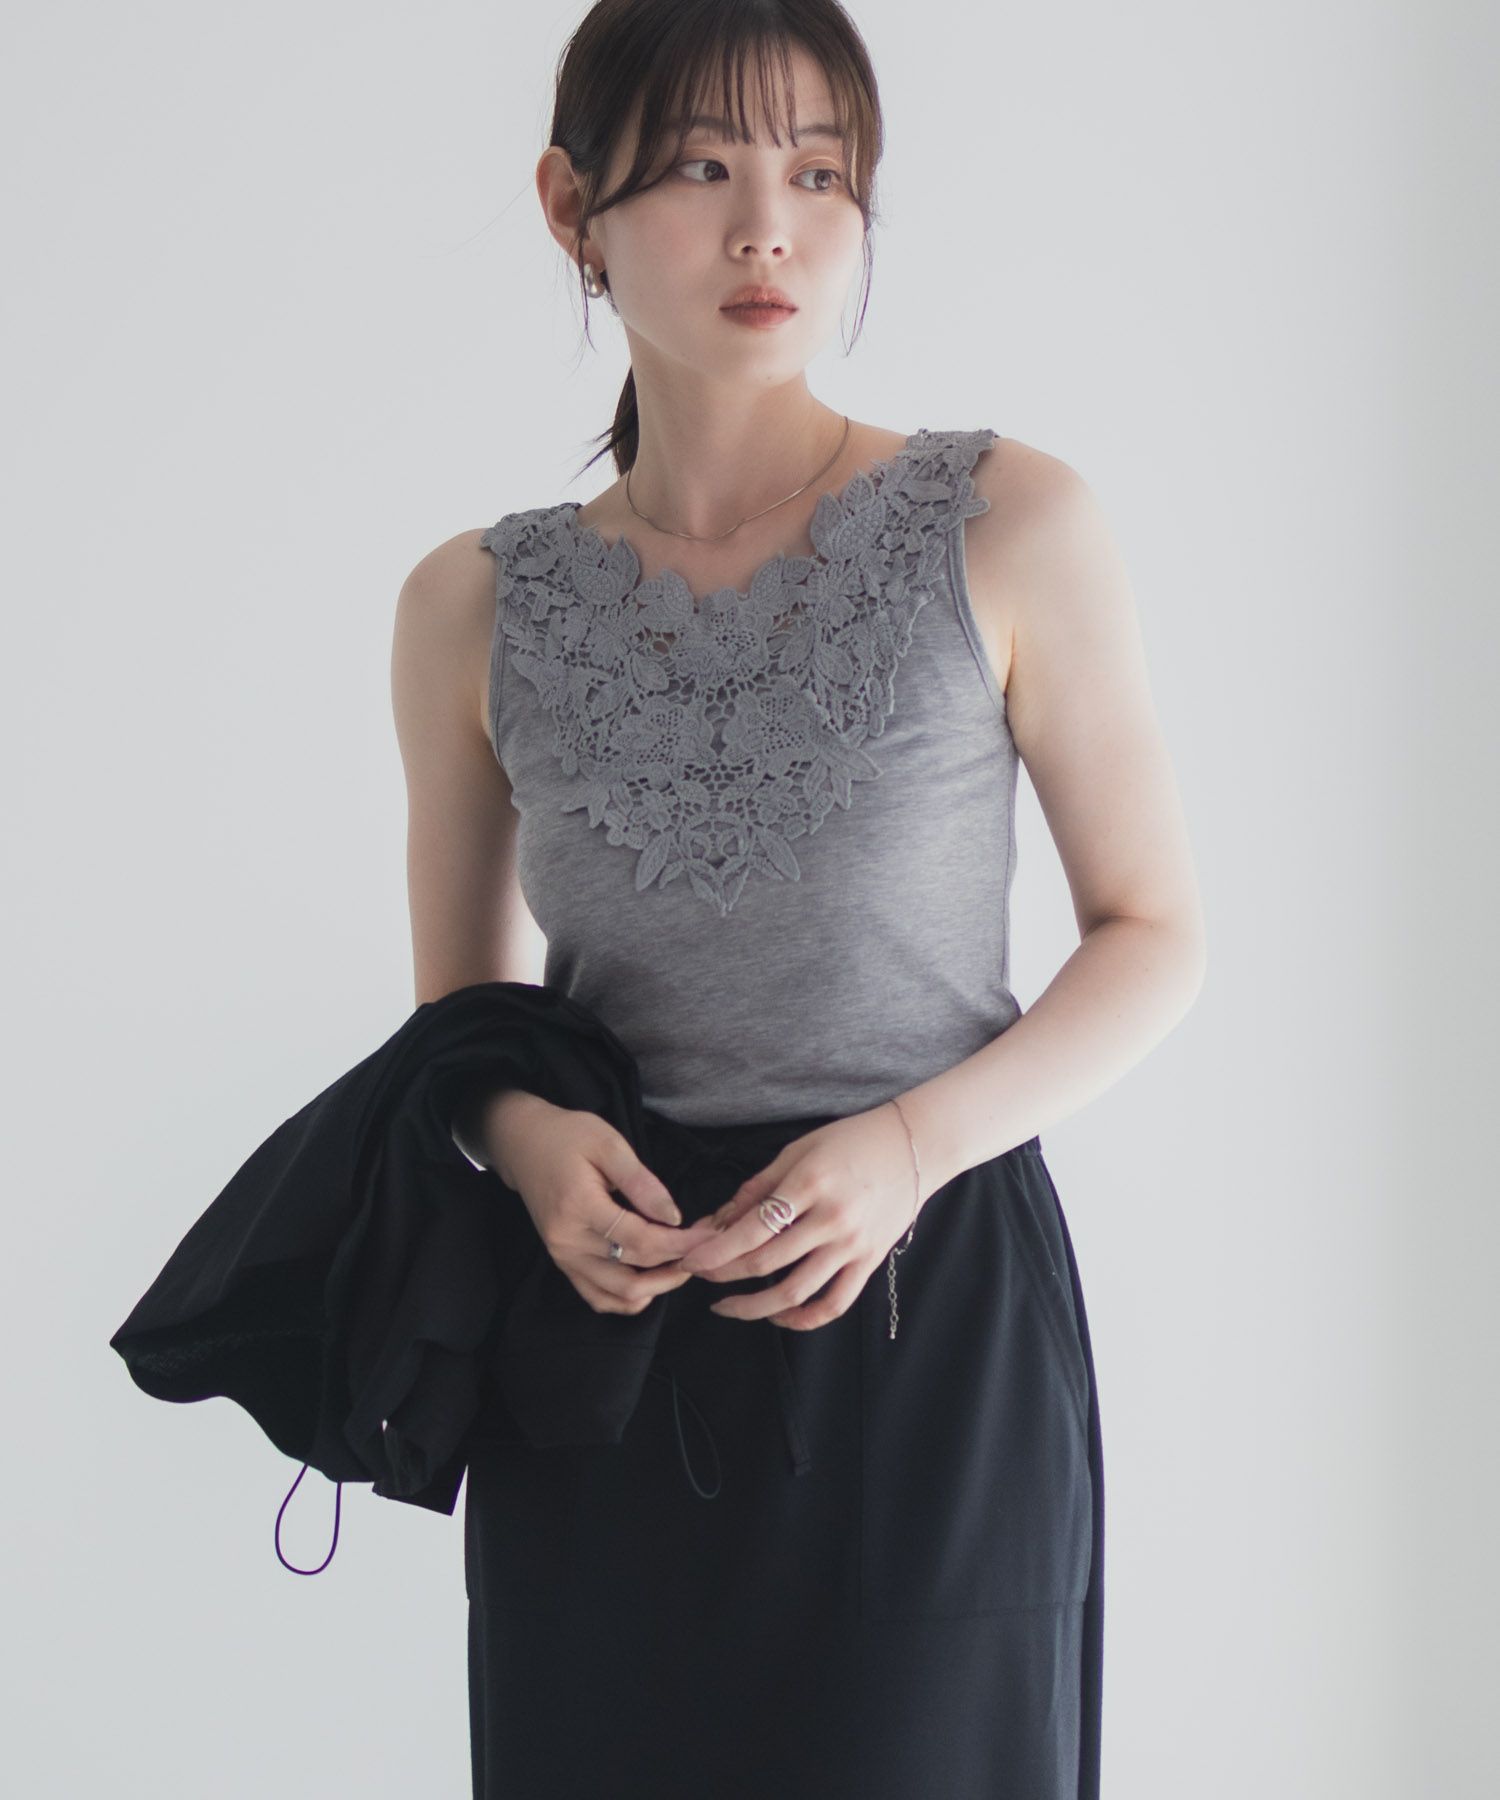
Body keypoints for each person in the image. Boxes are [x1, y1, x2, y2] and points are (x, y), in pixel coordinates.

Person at [389, 3, 1207, 1796]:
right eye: (701, 166)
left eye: (820, 176)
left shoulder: (1007, 521)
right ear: (570, 206)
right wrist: (529, 1144)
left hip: (925, 1317)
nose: (771, 228)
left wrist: (908, 1149)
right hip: (606, 1343)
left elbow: (1155, 936)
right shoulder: (474, 603)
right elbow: (461, 1022)